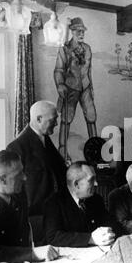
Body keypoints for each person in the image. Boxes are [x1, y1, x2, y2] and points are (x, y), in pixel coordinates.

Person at [6, 100, 67, 217]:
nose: (56, 124)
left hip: (53, 211)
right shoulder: (16, 147)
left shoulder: (45, 139)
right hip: (35, 215)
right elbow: (14, 190)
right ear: (39, 119)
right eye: (53, 120)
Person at [43, 162, 117, 247]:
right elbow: (53, 237)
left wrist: (109, 232)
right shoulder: (54, 203)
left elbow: (110, 222)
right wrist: (90, 238)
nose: (96, 184)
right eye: (92, 180)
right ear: (76, 184)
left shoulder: (96, 199)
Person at [54, 17, 97, 160]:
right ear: (72, 31)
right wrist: (60, 85)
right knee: (66, 119)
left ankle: (96, 152)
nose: (81, 34)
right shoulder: (64, 49)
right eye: (78, 31)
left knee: (91, 116)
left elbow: (88, 70)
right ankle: (62, 152)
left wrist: (91, 88)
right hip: (70, 88)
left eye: (83, 31)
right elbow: (58, 70)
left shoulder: (87, 49)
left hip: (85, 87)